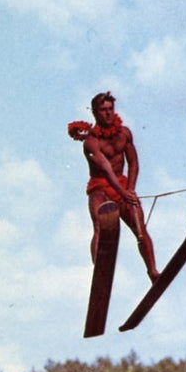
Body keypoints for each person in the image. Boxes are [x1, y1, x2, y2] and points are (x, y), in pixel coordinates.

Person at [68, 92, 159, 281]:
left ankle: (152, 271)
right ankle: (100, 275)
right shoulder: (91, 142)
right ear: (95, 113)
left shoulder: (124, 133)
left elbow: (133, 162)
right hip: (100, 187)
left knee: (140, 228)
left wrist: (131, 189)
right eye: (103, 110)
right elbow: (106, 169)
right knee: (100, 228)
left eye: (110, 109)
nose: (108, 113)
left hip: (123, 183)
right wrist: (123, 193)